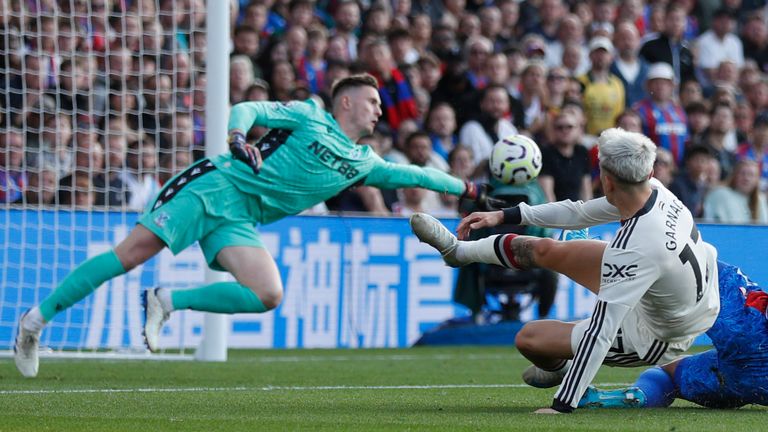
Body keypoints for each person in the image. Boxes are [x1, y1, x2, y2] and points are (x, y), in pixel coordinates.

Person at [13, 74, 500, 378]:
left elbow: (418, 174)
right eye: (372, 100)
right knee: (133, 253)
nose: (379, 108)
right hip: (215, 187)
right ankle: (35, 322)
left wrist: (469, 191)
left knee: (268, 293)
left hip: (241, 218)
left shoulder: (363, 162)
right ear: (346, 103)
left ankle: (166, 301)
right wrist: (235, 134)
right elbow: (251, 109)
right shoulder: (309, 115)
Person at [409, 127, 720, 413]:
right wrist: (504, 215)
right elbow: (580, 212)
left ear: (607, 180)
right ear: (649, 171)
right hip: (677, 294)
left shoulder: (636, 246)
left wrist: (563, 404)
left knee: (529, 338)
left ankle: (566, 373)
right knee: (547, 250)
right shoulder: (651, 189)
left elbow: (601, 330)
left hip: (658, 333)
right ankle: (458, 252)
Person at [578, 261, 768, 410]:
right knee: (670, 376)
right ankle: (631, 396)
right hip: (757, 384)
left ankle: (580, 254)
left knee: (687, 262)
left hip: (751, 332)